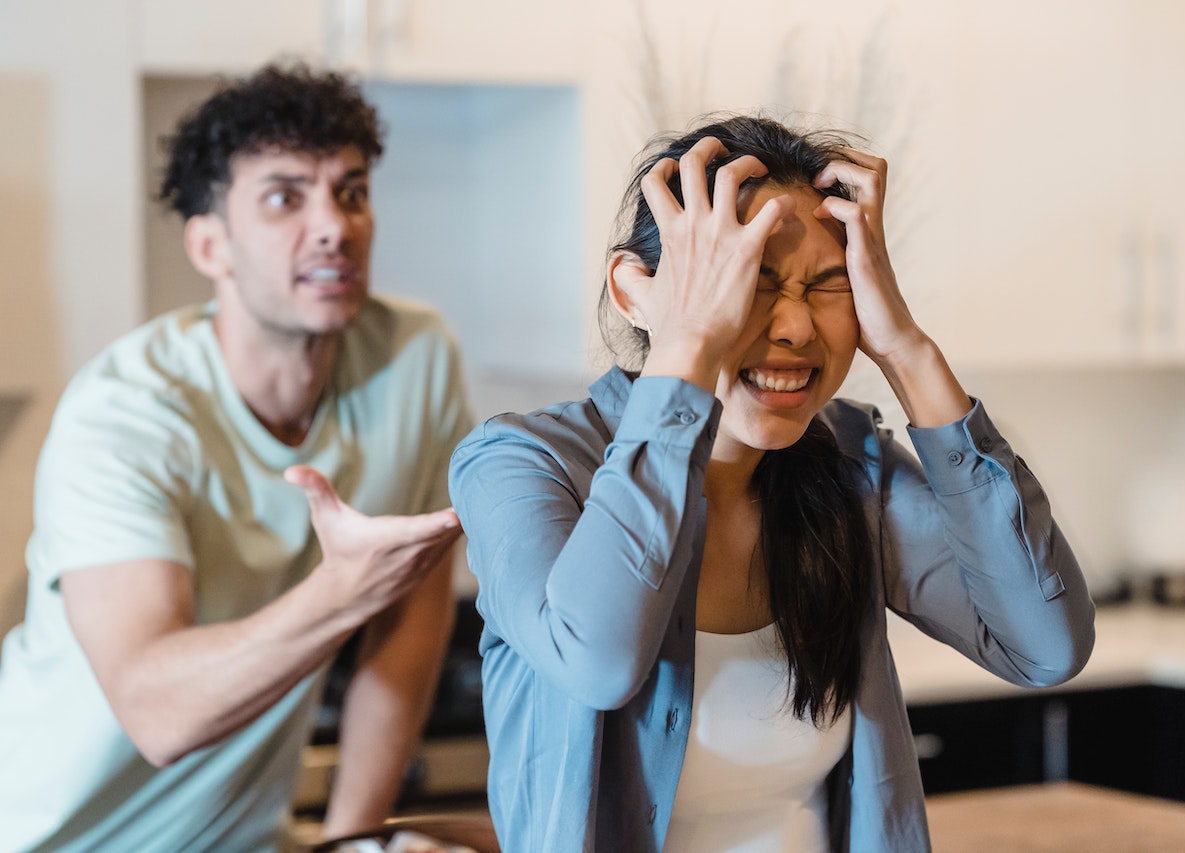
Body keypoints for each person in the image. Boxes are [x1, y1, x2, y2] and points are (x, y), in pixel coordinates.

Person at [448, 115, 1096, 852]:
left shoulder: (850, 462)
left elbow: (1044, 645)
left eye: (828, 286)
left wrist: (905, 349)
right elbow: (596, 660)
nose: (793, 326)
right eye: (748, 283)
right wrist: (689, 342)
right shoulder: (518, 461)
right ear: (635, 294)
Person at [0, 64, 473, 851]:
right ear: (209, 244)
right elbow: (158, 711)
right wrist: (341, 592)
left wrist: (352, 839)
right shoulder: (125, 413)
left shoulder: (416, 357)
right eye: (286, 197)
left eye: (351, 191)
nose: (334, 224)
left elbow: (410, 623)